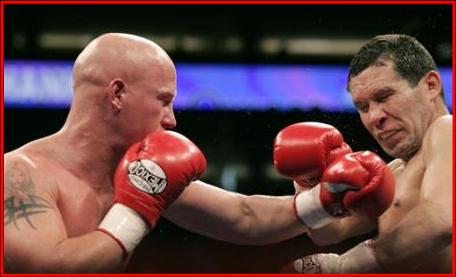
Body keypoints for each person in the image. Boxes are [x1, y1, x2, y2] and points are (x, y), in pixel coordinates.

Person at [4, 33, 395, 273]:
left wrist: (326, 199)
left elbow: (244, 217)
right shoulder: (20, 173)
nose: (171, 119)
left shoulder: (140, 168)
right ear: (117, 93)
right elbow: (50, 269)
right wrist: (137, 209)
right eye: (164, 101)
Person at [282, 34, 452, 273]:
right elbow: (331, 232)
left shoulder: (447, 130)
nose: (374, 117)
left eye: (384, 97)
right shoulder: (394, 172)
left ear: (431, 85)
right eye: (363, 107)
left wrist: (343, 266)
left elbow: (440, 221)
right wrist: (307, 180)